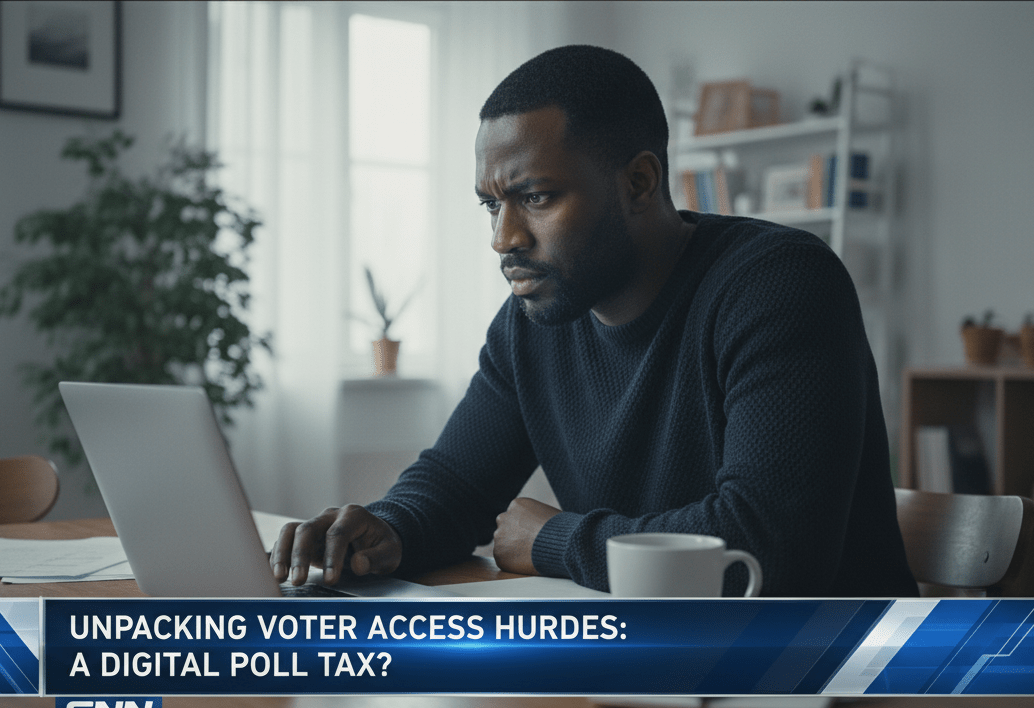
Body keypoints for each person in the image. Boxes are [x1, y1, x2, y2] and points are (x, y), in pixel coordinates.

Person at [272, 45, 918, 597]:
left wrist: (556, 538)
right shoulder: (533, 322)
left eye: (536, 197)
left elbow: (768, 548)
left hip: (830, 682)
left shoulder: (780, 285)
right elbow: (456, 484)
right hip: (652, 667)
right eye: (490, 205)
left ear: (639, 183)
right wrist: (386, 529)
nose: (504, 238)